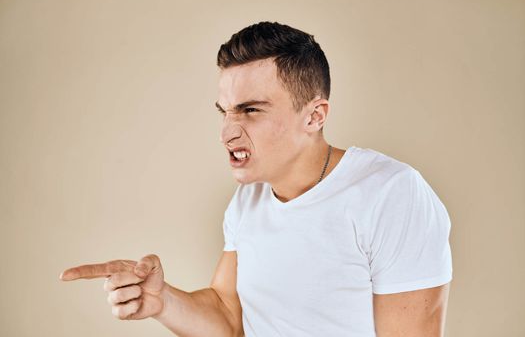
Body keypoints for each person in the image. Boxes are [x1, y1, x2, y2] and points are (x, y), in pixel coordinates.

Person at [60, 21, 453, 337]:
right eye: (225, 111)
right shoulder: (247, 202)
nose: (227, 132)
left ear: (315, 116)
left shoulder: (391, 193)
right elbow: (230, 317)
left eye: (250, 110)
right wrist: (163, 301)